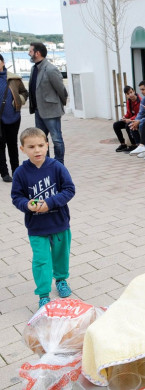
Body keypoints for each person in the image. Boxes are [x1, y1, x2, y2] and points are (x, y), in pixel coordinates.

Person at [11, 127, 76, 308]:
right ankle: (43, 294)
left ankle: (61, 279)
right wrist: (27, 205)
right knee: (41, 260)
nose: (37, 150)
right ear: (22, 149)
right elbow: (16, 197)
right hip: (37, 227)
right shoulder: (20, 173)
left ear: (47, 145)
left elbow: (69, 189)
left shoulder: (57, 167)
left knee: (60, 255)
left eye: (40, 145)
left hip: (59, 223)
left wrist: (51, 203)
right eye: (31, 147)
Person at [28, 42, 68, 165]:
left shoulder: (51, 69)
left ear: (37, 53)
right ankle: (47, 164)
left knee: (57, 140)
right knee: (41, 141)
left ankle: (59, 164)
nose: (29, 53)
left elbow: (61, 90)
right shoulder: (34, 68)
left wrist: (59, 105)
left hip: (51, 111)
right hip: (38, 111)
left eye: (30, 51)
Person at [0, 54, 28, 183]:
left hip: (13, 117)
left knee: (12, 144)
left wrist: (20, 100)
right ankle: (4, 173)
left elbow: (24, 92)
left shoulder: (13, 78)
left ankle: (16, 170)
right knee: (0, 145)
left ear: (2, 62)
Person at [113, 86, 141, 153]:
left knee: (128, 125)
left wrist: (130, 119)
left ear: (134, 91)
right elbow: (128, 113)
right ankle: (123, 144)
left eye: (131, 92)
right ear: (126, 95)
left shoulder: (140, 100)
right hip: (130, 119)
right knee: (116, 125)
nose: (130, 95)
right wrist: (124, 117)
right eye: (128, 94)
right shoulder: (129, 101)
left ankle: (134, 145)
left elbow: (139, 114)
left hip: (138, 120)